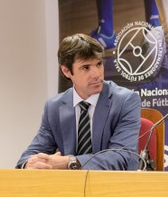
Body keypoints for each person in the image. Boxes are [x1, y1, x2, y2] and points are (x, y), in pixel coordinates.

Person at [16, 33, 141, 170]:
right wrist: (30, 164)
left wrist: (69, 161)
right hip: (68, 189)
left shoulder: (125, 101)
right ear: (66, 71)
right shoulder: (54, 107)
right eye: (86, 67)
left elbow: (120, 157)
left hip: (115, 186)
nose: (97, 74)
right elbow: (29, 155)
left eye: (99, 64)